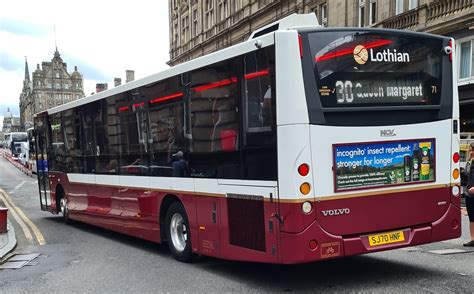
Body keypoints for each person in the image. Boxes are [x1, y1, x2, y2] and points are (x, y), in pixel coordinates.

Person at [463, 142, 474, 247]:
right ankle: (473, 239)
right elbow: (466, 177)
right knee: (472, 216)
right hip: (469, 193)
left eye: (473, 150)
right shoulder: (469, 162)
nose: (471, 152)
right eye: (470, 150)